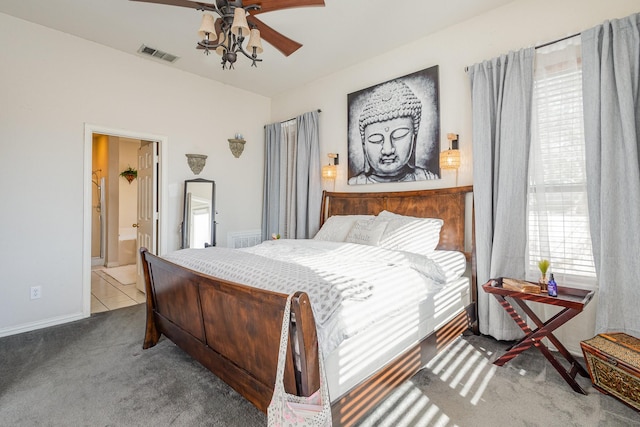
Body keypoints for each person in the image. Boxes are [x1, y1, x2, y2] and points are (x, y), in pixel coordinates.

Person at [349, 80, 437, 184]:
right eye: (376, 139)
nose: (387, 150)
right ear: (364, 146)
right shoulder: (355, 183)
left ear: (414, 138)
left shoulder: (428, 178)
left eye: (399, 135)